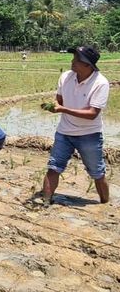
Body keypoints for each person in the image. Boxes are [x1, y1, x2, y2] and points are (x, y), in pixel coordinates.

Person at [40, 46, 110, 204]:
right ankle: (45, 202)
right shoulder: (66, 77)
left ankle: (105, 205)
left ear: (88, 65)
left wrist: (62, 109)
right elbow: (59, 99)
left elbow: (92, 114)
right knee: (54, 167)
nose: (72, 61)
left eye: (77, 60)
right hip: (64, 132)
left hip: (89, 135)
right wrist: (53, 106)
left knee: (97, 173)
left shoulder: (100, 83)